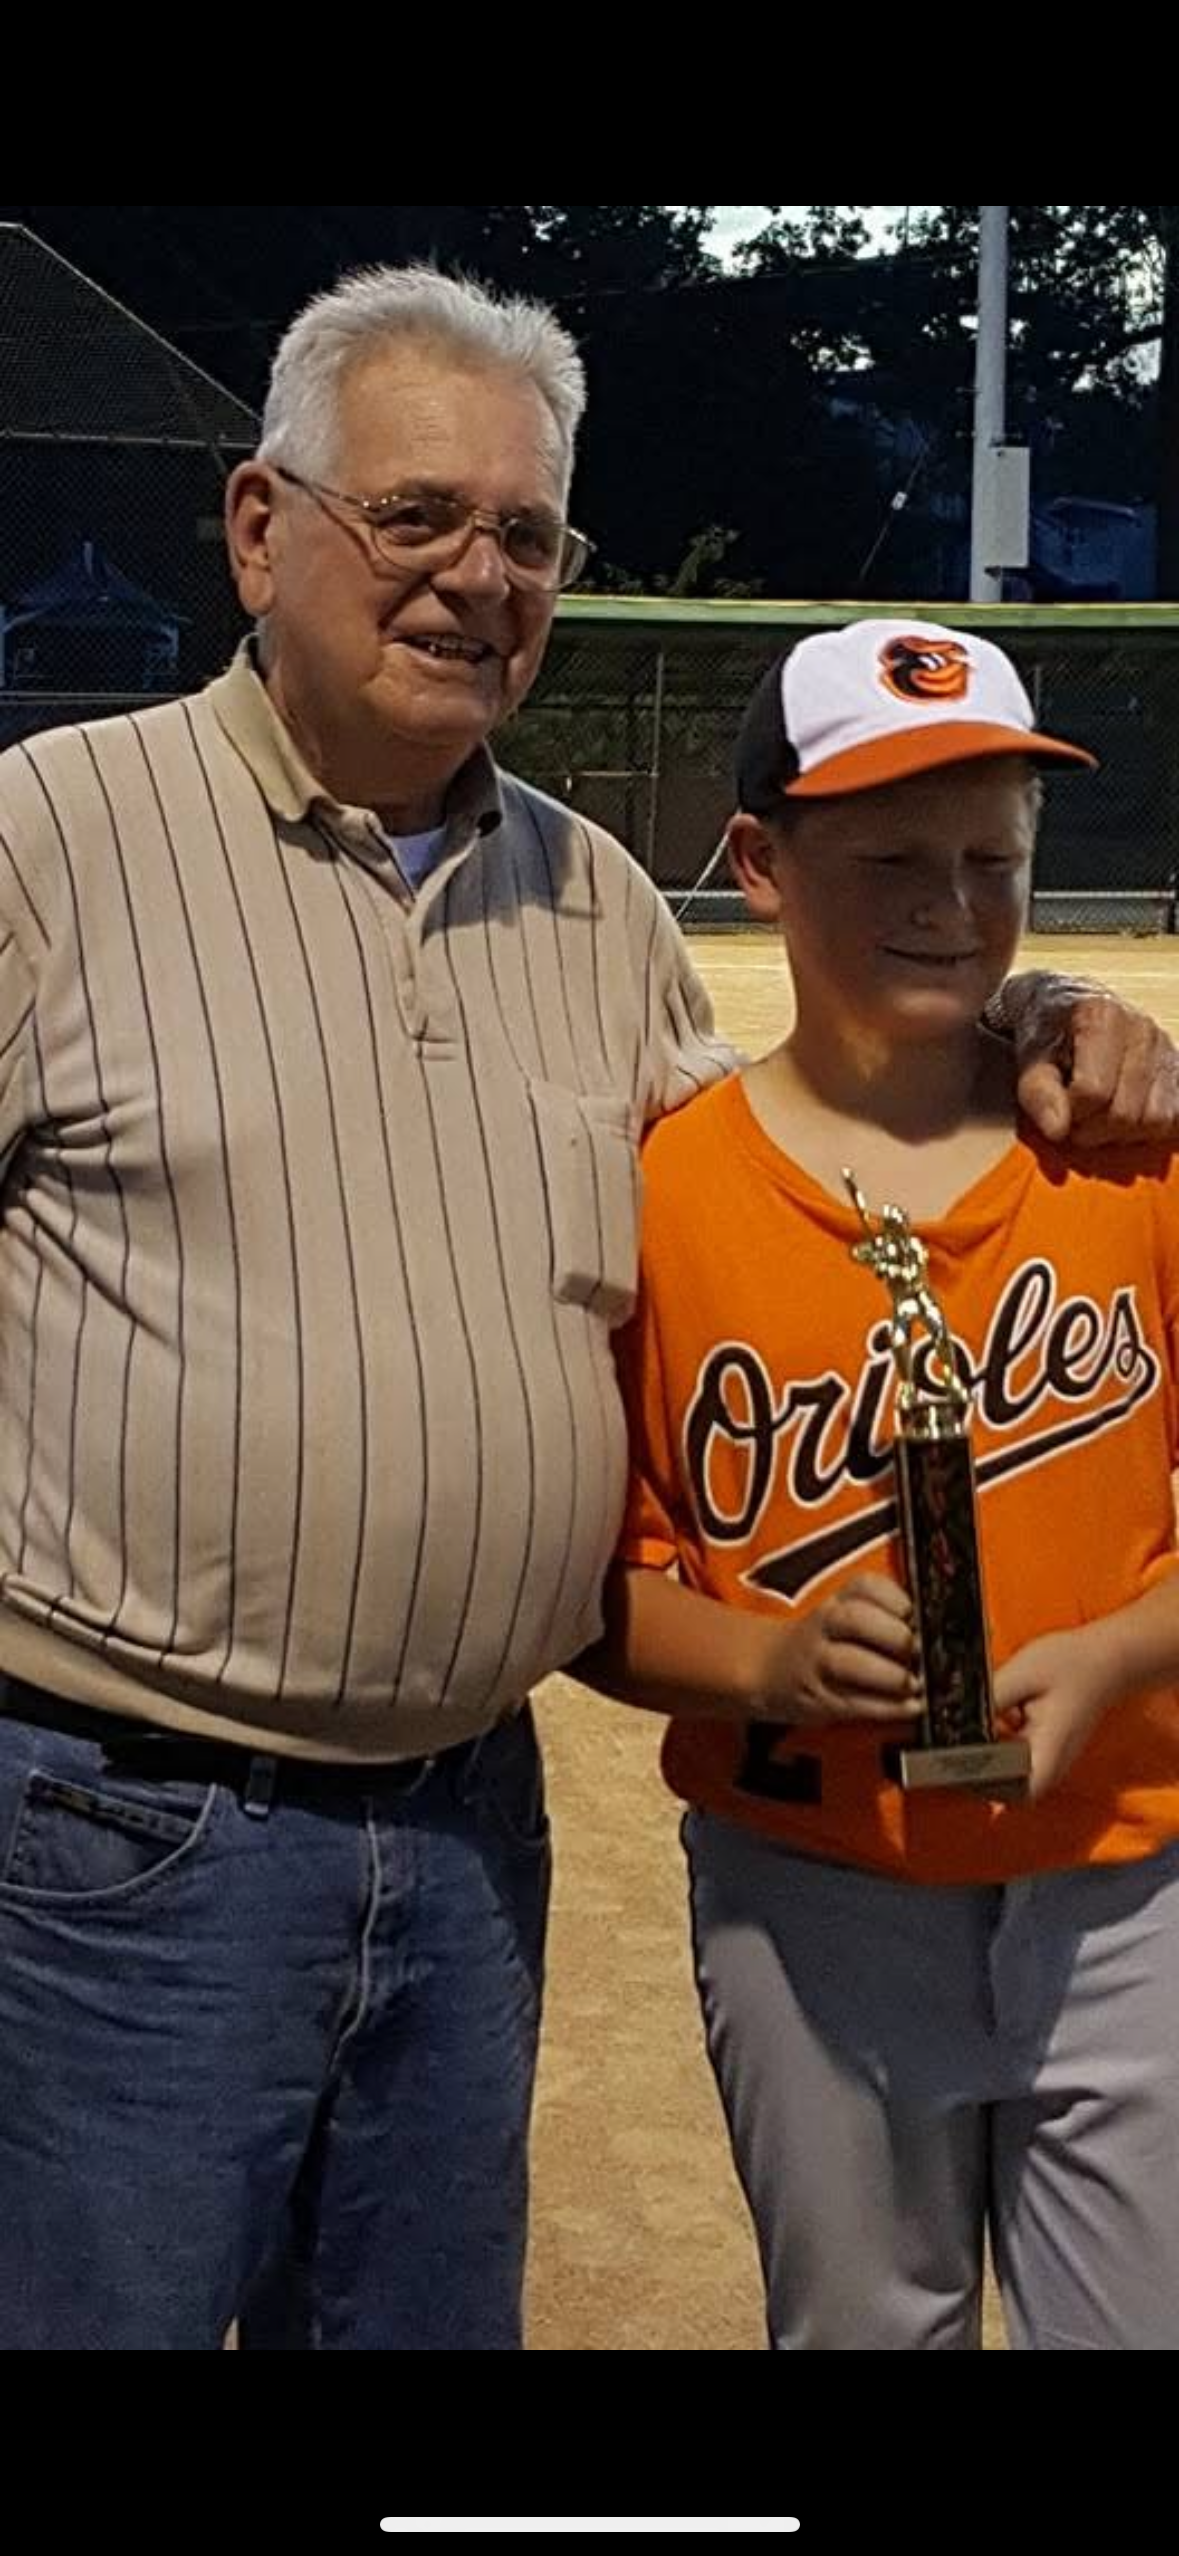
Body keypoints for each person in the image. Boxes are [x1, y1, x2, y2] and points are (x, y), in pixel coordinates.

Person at [0, 273, 1171, 2355]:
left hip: (466, 1835)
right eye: (418, 516)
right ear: (263, 528)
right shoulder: (46, 841)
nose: (479, 577)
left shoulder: (596, 903)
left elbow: (821, 1143)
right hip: (132, 1833)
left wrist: (1028, 1005)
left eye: (527, 537)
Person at [596, 617, 1179, 2351]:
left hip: (1134, 1879)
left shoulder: (1132, 1155)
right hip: (812, 1890)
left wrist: (1123, 1656)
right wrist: (761, 1664)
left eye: (990, 860)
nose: (950, 901)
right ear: (761, 864)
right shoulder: (664, 1187)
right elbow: (585, 1586)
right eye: (889, 859)